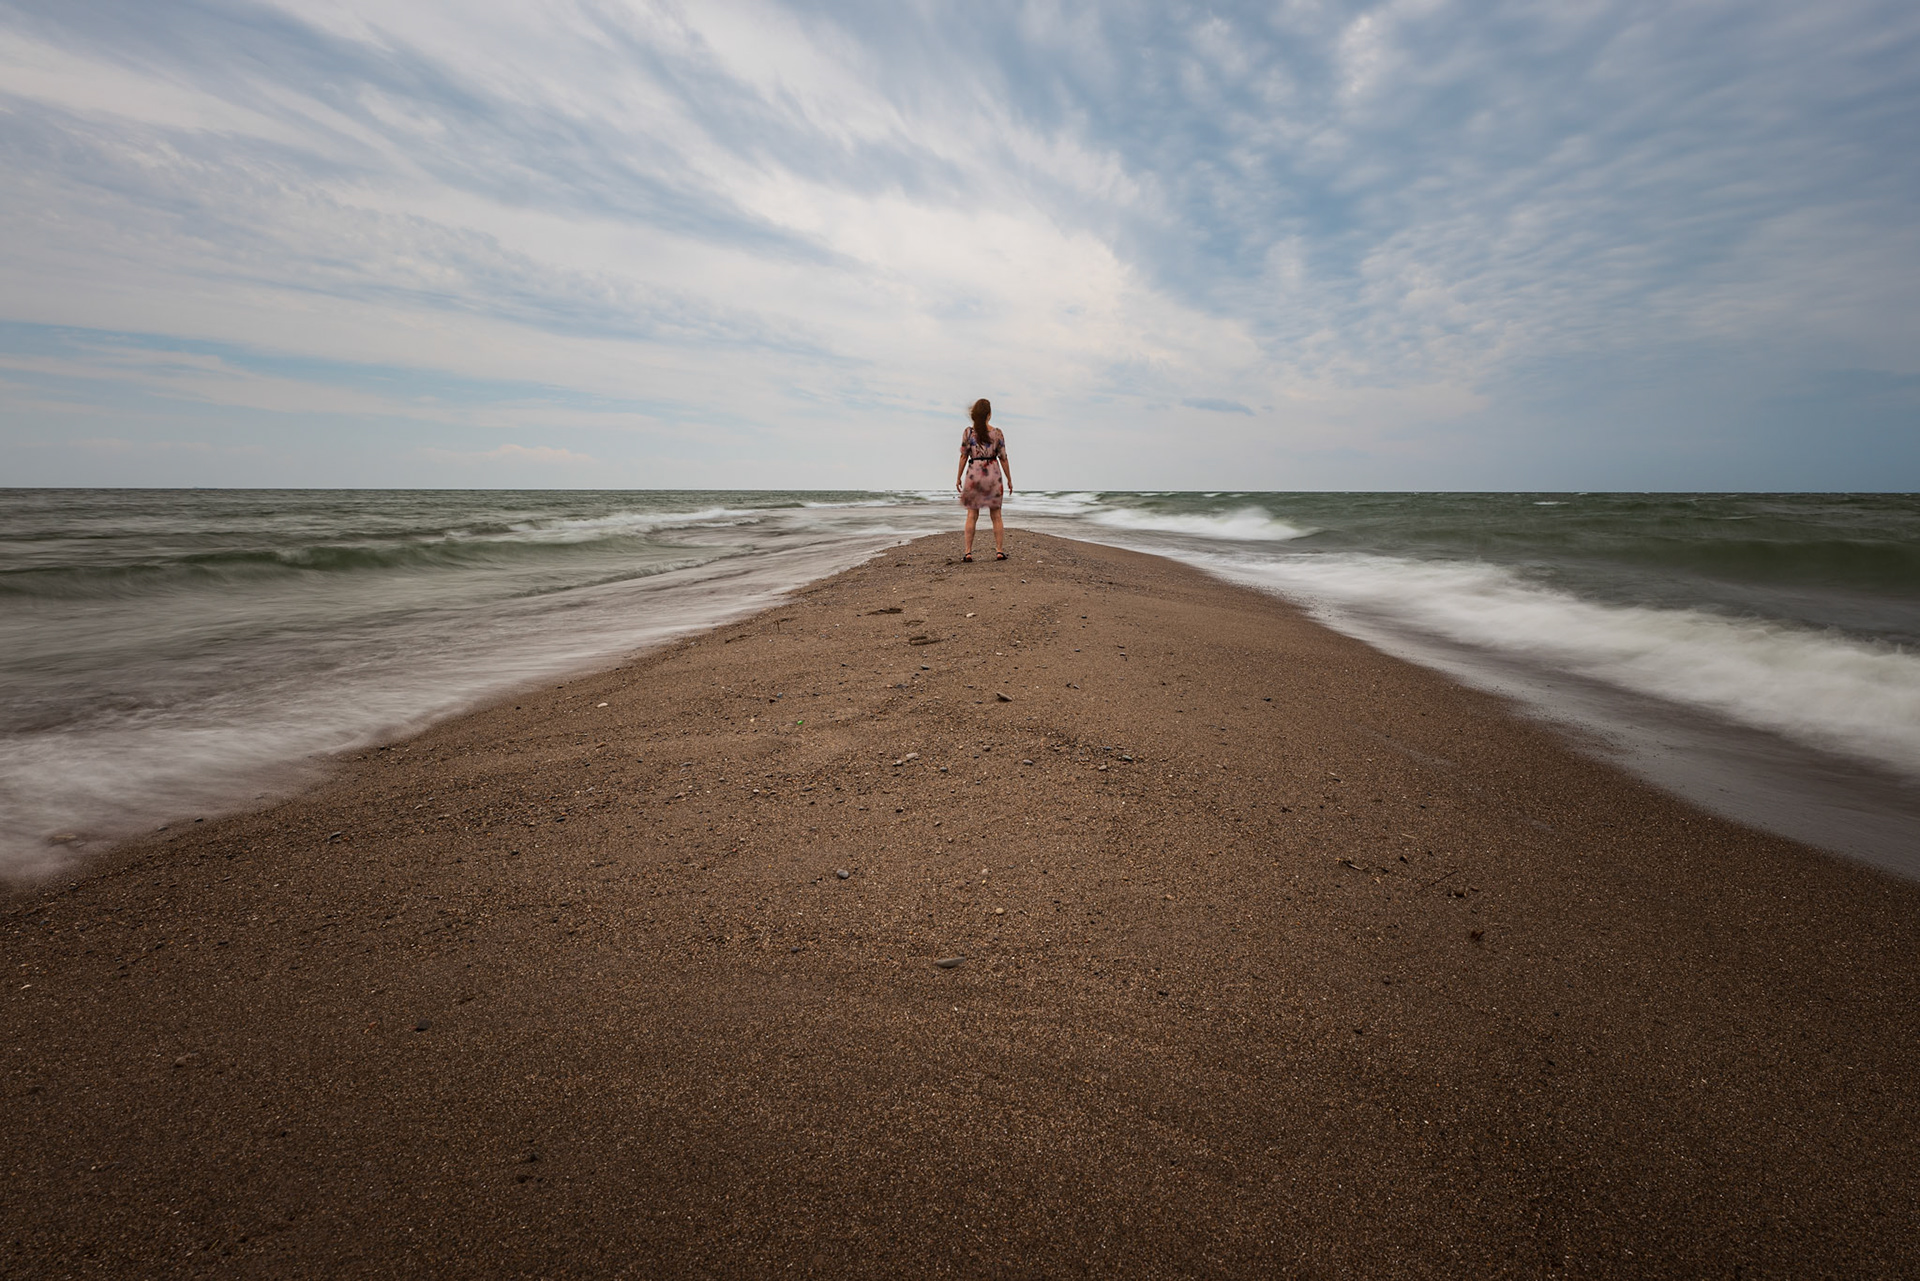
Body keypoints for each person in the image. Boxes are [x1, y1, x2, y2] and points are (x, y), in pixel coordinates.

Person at [955, 398, 1012, 561]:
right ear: (989, 414)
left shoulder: (968, 432)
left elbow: (963, 456)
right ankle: (999, 551)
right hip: (993, 474)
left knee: (972, 515)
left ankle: (968, 552)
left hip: (974, 474)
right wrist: (1009, 479)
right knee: (996, 515)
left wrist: (958, 477)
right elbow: (1003, 458)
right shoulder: (997, 433)